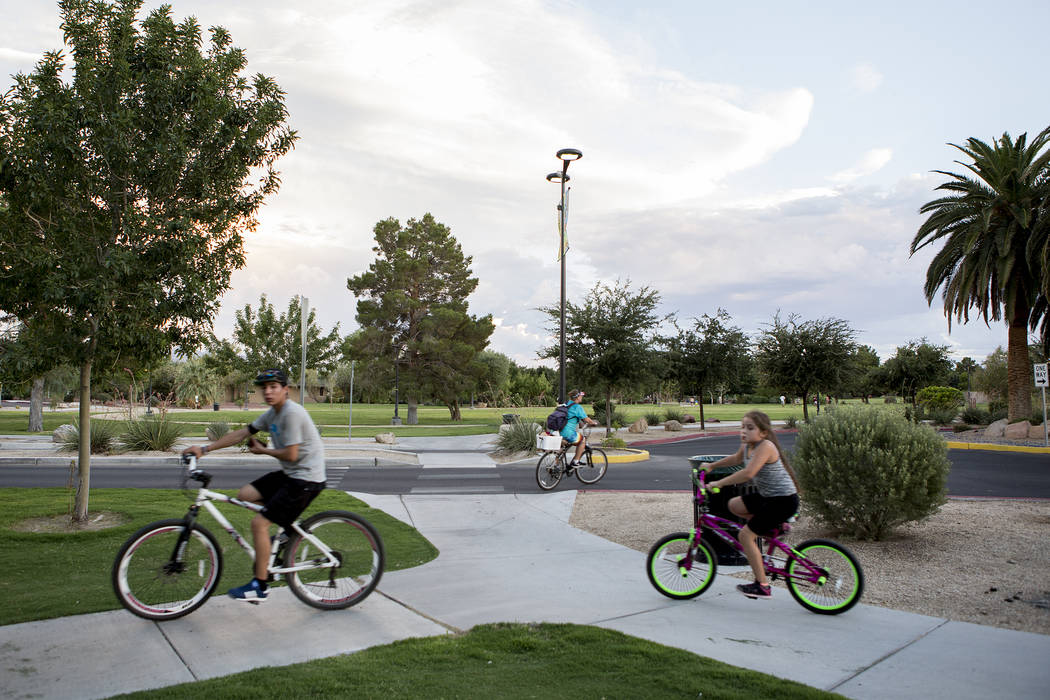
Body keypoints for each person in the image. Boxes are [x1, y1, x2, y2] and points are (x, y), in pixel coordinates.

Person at [182, 368, 326, 603]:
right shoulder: (272, 414)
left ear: (285, 390)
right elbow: (241, 434)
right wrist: (204, 449)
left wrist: (263, 451)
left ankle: (260, 586)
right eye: (264, 388)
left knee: (259, 524)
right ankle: (288, 528)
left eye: (273, 387)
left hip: (307, 479)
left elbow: (291, 455)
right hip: (291, 475)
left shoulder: (292, 413)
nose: (268, 392)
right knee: (245, 494)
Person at [704, 411, 799, 599]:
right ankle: (776, 527)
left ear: (763, 433)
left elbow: (748, 473)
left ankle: (762, 586)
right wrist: (713, 466)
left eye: (750, 428)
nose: (744, 431)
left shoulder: (766, 446)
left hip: (783, 501)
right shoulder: (747, 445)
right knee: (734, 505)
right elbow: (736, 459)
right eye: (742, 427)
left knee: (745, 535)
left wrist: (719, 483)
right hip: (768, 497)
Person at [560, 389, 598, 468]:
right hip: (568, 433)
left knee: (563, 448)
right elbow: (586, 419)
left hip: (559, 431)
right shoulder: (577, 407)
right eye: (581, 396)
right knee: (582, 440)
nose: (582, 397)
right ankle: (576, 461)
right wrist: (593, 423)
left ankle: (555, 464)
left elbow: (571, 417)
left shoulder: (566, 404)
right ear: (577, 397)